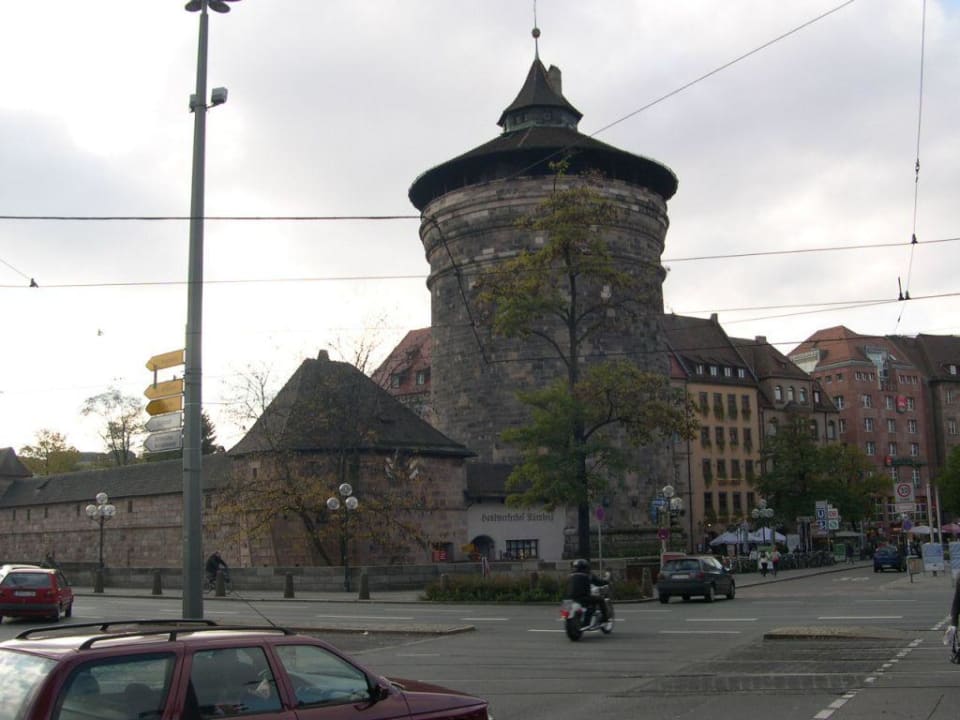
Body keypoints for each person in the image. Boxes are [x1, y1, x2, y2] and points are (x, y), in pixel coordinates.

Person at [565, 559, 608, 627]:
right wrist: (606, 581)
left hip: (569, 598)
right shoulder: (588, 575)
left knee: (566, 611)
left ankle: (583, 621)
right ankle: (604, 620)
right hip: (582, 597)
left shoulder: (570, 575)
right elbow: (599, 582)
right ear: (585, 566)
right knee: (600, 600)